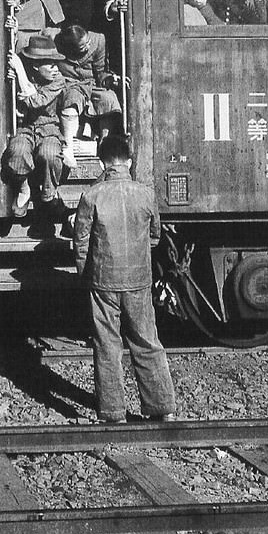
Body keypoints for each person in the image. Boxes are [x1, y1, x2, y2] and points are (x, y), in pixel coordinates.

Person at [74, 135, 176, 424]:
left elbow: (81, 242)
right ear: (129, 161)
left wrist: (87, 275)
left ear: (102, 162)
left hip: (103, 281)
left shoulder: (91, 196)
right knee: (147, 340)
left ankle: (112, 413)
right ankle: (163, 407)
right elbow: (155, 236)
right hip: (138, 280)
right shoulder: (145, 194)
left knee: (107, 344)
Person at [2, 35, 69, 219]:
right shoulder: (27, 75)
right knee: (17, 150)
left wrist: (20, 74)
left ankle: (49, 194)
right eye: (50, 65)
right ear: (35, 66)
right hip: (26, 128)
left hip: (49, 129)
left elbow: (35, 101)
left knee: (50, 154)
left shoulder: (58, 81)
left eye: (56, 64)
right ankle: (24, 190)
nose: (56, 69)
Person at [54, 25, 124, 168]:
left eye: (88, 42)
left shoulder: (98, 40)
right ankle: (68, 148)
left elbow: (100, 73)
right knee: (71, 100)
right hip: (70, 84)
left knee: (109, 99)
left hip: (92, 84)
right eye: (82, 47)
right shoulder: (55, 39)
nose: (88, 46)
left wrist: (111, 79)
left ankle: (104, 149)